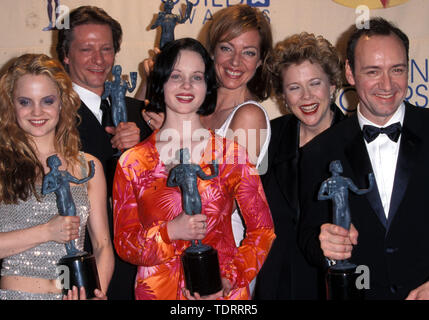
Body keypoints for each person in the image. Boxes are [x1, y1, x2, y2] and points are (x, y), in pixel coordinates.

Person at [113, 38, 275, 300]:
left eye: (196, 77)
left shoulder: (231, 154)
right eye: (176, 76)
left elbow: (263, 231)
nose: (186, 86)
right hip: (157, 292)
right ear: (161, 82)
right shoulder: (132, 161)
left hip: (221, 295)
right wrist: (170, 232)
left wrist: (229, 279)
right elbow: (124, 244)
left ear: (207, 85)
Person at [298, 17, 429, 300]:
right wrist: (325, 244)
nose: (387, 84)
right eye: (373, 71)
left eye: (397, 69)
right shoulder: (317, 153)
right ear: (350, 72)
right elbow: (308, 237)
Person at [56, 5, 152, 299]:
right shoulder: (47, 115)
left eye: (106, 49)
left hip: (136, 265)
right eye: (86, 49)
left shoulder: (141, 114)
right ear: (66, 55)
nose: (98, 60)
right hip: (72, 263)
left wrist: (143, 152)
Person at [0, 53, 114, 300]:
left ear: (62, 102)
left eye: (47, 100)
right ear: (11, 105)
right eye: (25, 102)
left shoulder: (88, 166)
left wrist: (96, 293)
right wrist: (46, 232)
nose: (37, 111)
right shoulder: (2, 165)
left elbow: (103, 246)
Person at [254, 32, 346, 300]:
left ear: (332, 85)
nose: (306, 97)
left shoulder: (355, 142)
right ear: (283, 95)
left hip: (331, 286)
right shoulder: (269, 136)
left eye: (315, 83)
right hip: (275, 282)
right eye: (294, 87)